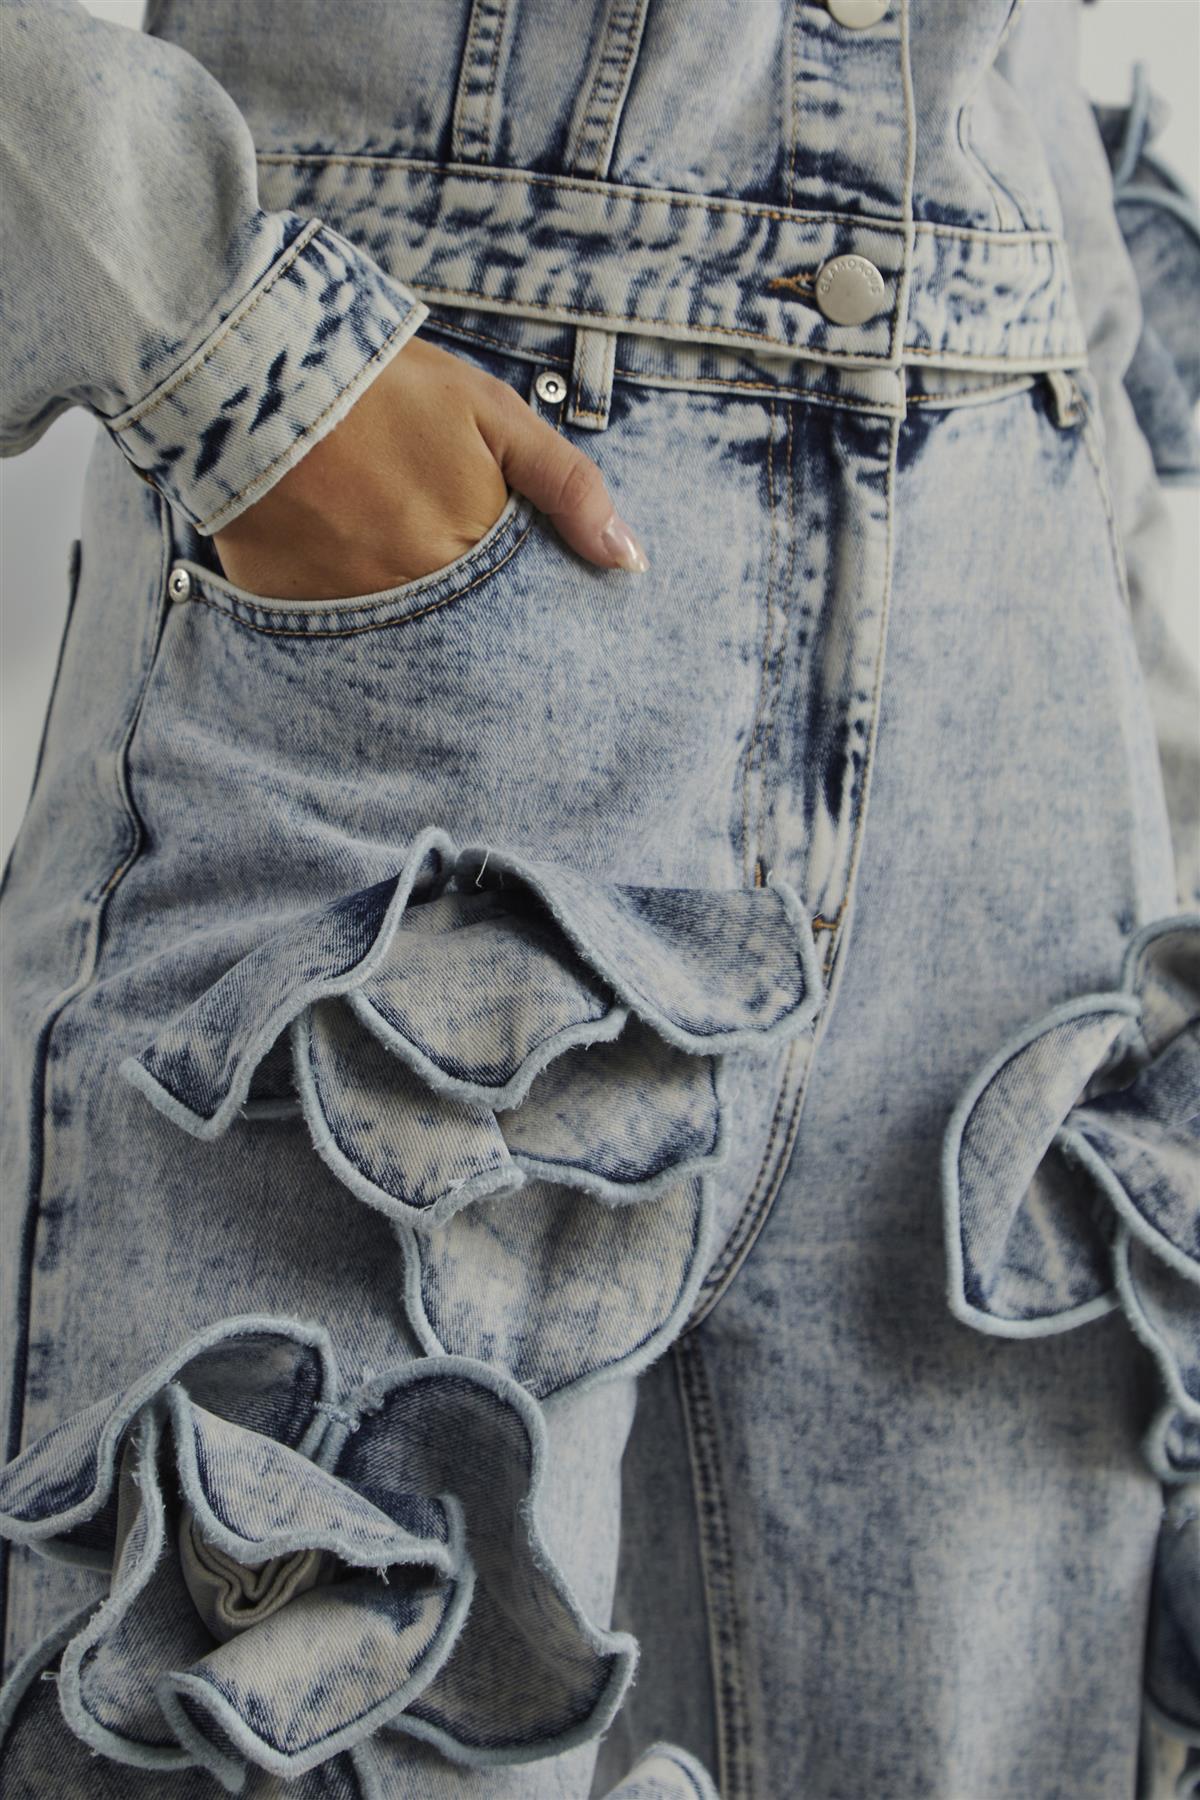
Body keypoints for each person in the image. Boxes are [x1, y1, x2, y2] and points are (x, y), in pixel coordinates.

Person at [0, 2, 1197, 1795]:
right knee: (310, 1691)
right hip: (441, 665)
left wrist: (1115, 615)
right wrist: (216, 333)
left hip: (1006, 704)